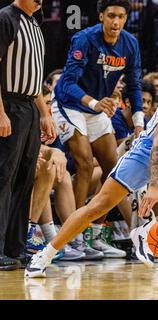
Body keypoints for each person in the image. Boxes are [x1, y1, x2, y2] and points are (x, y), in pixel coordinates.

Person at [25, 47, 158, 278]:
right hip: (148, 150)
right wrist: (154, 186)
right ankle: (45, 254)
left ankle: (147, 232)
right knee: (97, 206)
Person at [51, 0, 145, 258]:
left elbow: (134, 86)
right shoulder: (84, 39)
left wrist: (139, 123)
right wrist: (95, 102)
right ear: (101, 16)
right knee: (83, 163)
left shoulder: (130, 44)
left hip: (97, 108)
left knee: (115, 170)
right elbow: (67, 83)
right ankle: (72, 235)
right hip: (70, 104)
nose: (116, 22)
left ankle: (92, 231)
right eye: (111, 16)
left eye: (121, 17)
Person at [0, 0, 56, 271]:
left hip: (30, 107)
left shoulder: (35, 24)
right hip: (8, 105)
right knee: (4, 177)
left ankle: (15, 247)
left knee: (25, 178)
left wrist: (44, 113)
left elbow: (35, 76)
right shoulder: (6, 18)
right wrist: (0, 113)